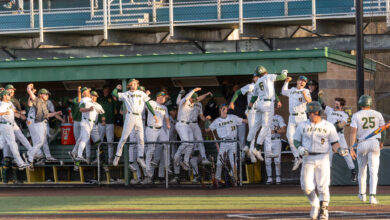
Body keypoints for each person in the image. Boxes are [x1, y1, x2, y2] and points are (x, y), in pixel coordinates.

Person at [294, 101, 346, 220]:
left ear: (320, 113)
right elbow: (296, 140)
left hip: (323, 157)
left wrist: (340, 150)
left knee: (323, 186)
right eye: (310, 113)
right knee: (306, 186)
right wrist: (300, 148)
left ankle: (323, 211)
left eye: (315, 113)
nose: (313, 115)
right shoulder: (302, 125)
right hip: (308, 158)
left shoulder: (328, 126)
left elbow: (334, 143)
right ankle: (314, 203)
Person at [111, 79, 157, 169]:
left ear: (137, 85)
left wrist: (154, 115)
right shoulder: (126, 93)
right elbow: (114, 94)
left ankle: (140, 157)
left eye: (135, 84)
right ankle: (117, 156)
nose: (133, 85)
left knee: (141, 138)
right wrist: (116, 88)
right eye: (131, 84)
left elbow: (148, 104)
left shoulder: (141, 93)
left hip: (139, 117)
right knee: (124, 137)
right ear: (129, 85)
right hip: (130, 116)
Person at [349, 95, 385, 205]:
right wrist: (382, 141)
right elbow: (383, 130)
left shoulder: (356, 115)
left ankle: (362, 195)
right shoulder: (377, 114)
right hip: (374, 142)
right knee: (374, 171)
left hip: (361, 143)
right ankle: (372, 196)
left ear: (360, 104)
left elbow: (353, 132)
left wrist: (351, 147)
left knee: (362, 171)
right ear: (370, 103)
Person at [247, 66, 288, 159]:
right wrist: (285, 71)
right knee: (265, 127)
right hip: (267, 103)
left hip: (260, 103)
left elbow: (254, 97)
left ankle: (248, 145)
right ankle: (257, 148)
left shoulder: (257, 82)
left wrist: (249, 107)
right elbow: (282, 77)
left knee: (256, 126)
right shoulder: (269, 76)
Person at [205, 104, 247, 187]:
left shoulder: (232, 117)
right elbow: (207, 130)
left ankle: (234, 179)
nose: (226, 109)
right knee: (219, 162)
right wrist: (206, 120)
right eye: (224, 108)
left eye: (226, 108)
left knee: (233, 162)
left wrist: (253, 118)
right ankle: (217, 180)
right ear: (220, 109)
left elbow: (244, 121)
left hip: (233, 142)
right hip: (223, 142)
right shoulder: (217, 121)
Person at [322, 97, 357, 182]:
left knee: (346, 154)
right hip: (329, 136)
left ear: (341, 106)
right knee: (328, 156)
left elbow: (343, 123)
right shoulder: (330, 110)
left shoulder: (344, 114)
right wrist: (320, 97)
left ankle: (353, 172)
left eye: (337, 104)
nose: (335, 105)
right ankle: (328, 176)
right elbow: (322, 105)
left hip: (339, 137)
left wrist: (335, 126)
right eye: (335, 103)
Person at [26, 84, 62, 165]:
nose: (47, 95)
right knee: (39, 141)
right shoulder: (37, 99)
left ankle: (46, 157)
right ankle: (31, 155)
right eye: (45, 94)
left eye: (47, 94)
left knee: (43, 141)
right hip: (34, 122)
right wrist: (30, 87)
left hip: (41, 122)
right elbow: (29, 99)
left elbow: (47, 115)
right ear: (40, 95)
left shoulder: (44, 103)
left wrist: (57, 113)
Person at [281, 75, 312, 171]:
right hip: (292, 117)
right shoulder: (292, 90)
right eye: (301, 80)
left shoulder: (306, 91)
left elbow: (309, 101)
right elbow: (283, 92)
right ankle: (297, 157)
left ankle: (307, 158)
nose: (302, 82)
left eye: (304, 81)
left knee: (304, 137)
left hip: (302, 116)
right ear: (297, 81)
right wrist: (286, 82)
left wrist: (304, 94)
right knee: (290, 138)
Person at [229, 75, 261, 163]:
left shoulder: (243, 96)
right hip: (232, 121)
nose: (236, 88)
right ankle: (234, 157)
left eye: (237, 86)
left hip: (243, 119)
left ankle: (243, 156)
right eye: (234, 86)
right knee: (233, 139)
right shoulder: (230, 95)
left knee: (242, 139)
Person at [142, 91, 170, 184]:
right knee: (151, 149)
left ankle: (167, 165)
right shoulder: (152, 103)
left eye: (164, 97)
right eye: (162, 97)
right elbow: (144, 101)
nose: (163, 99)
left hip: (160, 129)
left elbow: (166, 118)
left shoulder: (164, 107)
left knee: (167, 144)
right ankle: (147, 170)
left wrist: (168, 123)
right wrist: (146, 94)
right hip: (151, 128)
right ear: (158, 97)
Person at [71, 89, 104, 162]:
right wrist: (79, 92)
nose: (93, 97)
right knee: (84, 139)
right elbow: (81, 108)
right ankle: (79, 157)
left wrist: (93, 106)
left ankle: (74, 152)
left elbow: (101, 111)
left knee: (97, 142)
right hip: (86, 122)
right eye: (92, 95)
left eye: (95, 96)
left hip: (93, 124)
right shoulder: (85, 100)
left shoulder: (95, 104)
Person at [174, 87, 201, 170]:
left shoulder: (193, 104)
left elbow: (199, 98)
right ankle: (176, 156)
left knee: (191, 144)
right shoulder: (184, 101)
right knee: (185, 142)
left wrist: (206, 95)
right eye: (193, 99)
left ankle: (185, 160)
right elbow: (186, 98)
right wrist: (193, 91)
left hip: (187, 125)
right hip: (181, 124)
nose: (194, 100)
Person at [0, 90, 29, 170]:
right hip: (5, 125)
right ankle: (20, 163)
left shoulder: (8, 103)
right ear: (4, 96)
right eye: (8, 95)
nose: (10, 96)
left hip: (8, 125)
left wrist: (20, 113)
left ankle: (20, 162)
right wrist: (4, 113)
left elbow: (13, 110)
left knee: (1, 145)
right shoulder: (2, 104)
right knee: (13, 144)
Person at [265, 111, 286, 185]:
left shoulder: (278, 117)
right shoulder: (264, 116)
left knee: (277, 160)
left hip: (276, 140)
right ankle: (269, 177)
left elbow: (283, 129)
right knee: (267, 160)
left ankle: (278, 177)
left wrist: (275, 131)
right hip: (267, 140)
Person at [98, 85, 117, 165]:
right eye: (105, 89)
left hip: (110, 122)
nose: (106, 91)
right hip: (100, 122)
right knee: (99, 141)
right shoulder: (99, 99)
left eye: (108, 89)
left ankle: (110, 158)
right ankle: (100, 158)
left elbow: (116, 110)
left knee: (110, 141)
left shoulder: (112, 98)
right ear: (103, 90)